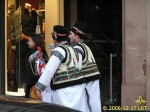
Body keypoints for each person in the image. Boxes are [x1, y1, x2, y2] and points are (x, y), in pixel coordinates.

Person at [35, 25, 90, 112]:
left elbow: (49, 70)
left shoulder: (59, 51)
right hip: (77, 90)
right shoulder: (73, 49)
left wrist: (39, 87)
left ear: (55, 37)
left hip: (64, 91)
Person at [69, 21, 102, 112]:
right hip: (93, 75)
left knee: (85, 101)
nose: (69, 36)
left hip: (87, 77)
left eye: (71, 34)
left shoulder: (77, 48)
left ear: (77, 36)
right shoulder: (85, 46)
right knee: (94, 100)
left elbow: (77, 67)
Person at [26, 34, 49, 101]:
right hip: (43, 87)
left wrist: (28, 84)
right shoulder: (44, 54)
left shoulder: (33, 56)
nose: (28, 43)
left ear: (35, 42)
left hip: (34, 87)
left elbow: (33, 73)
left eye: (29, 41)